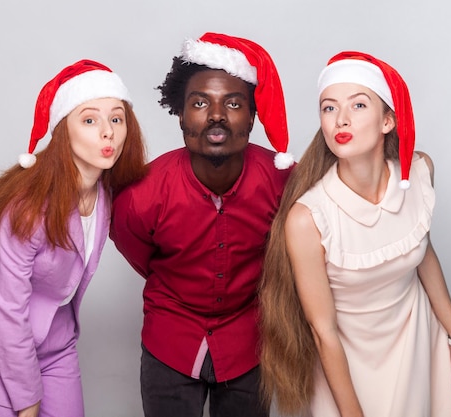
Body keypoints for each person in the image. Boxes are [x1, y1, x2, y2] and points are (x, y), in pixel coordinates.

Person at [259, 51, 451, 417]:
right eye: (329, 108)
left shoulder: (419, 173)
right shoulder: (308, 219)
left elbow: (423, 254)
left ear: (388, 120)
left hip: (417, 346)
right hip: (345, 365)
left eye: (358, 105)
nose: (341, 119)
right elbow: (322, 331)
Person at [0, 59, 147, 417]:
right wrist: (27, 401)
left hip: (55, 337)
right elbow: (6, 311)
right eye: (89, 120)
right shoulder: (25, 206)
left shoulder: (105, 193)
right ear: (62, 132)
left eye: (116, 118)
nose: (108, 132)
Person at [109, 32, 294, 417]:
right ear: (180, 114)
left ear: (253, 115)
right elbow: (137, 249)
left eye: (233, 103)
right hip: (170, 341)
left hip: (250, 343)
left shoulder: (283, 181)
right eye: (199, 103)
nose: (216, 115)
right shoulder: (141, 194)